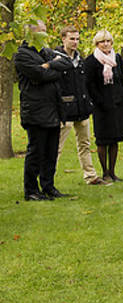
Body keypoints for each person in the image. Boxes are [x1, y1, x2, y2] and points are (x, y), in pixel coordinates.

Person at [14, 20, 72, 201]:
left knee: (51, 152)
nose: (46, 35)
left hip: (53, 109)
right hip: (35, 111)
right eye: (42, 31)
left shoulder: (45, 52)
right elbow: (37, 75)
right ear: (31, 34)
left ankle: (48, 186)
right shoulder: (22, 55)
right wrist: (49, 68)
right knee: (36, 152)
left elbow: (66, 64)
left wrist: (48, 66)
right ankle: (31, 190)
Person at [54, 26, 107, 185]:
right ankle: (48, 179)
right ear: (63, 39)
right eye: (72, 39)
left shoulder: (80, 60)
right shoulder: (56, 59)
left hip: (82, 109)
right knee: (56, 147)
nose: (75, 42)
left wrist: (88, 103)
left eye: (77, 39)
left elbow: (84, 85)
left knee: (85, 144)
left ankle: (90, 176)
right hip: (65, 111)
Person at [84, 30, 123, 182]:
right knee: (103, 140)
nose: (106, 44)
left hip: (118, 104)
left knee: (115, 139)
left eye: (108, 41)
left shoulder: (116, 58)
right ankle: (104, 172)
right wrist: (99, 101)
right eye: (102, 42)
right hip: (102, 106)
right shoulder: (91, 61)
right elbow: (89, 84)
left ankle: (112, 171)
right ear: (97, 44)